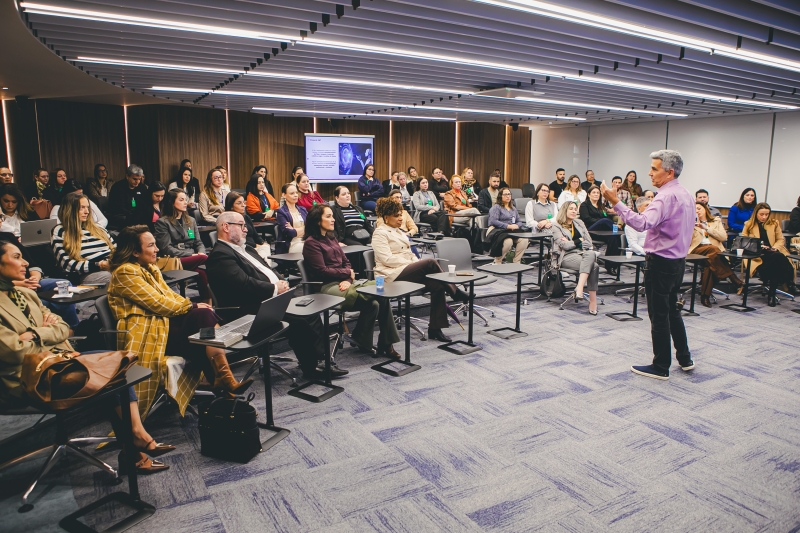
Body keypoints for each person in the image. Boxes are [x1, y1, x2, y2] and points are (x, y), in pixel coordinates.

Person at [0, 240, 172, 473]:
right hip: (27, 378)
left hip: (61, 360)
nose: (26, 262)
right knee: (112, 373)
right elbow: (12, 351)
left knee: (120, 364)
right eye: (18, 256)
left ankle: (135, 439)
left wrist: (32, 334)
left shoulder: (25, 294)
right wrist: (45, 333)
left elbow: (65, 328)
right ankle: (135, 447)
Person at [108, 226, 252, 419]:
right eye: (151, 245)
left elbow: (170, 297)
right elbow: (158, 303)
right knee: (202, 318)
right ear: (134, 251)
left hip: (162, 325)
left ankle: (224, 383)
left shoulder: (149, 268)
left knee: (203, 320)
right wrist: (192, 307)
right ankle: (224, 382)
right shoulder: (125, 272)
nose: (157, 249)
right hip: (146, 333)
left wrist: (193, 306)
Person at [205, 212, 343, 380]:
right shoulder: (220, 255)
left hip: (271, 299)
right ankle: (312, 368)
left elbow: (269, 270)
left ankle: (323, 361)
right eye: (241, 225)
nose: (246, 229)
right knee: (298, 321)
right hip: (247, 309)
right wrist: (274, 288)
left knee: (310, 312)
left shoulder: (247, 248)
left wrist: (281, 281)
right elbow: (244, 284)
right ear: (226, 227)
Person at [601, 149, 695, 380]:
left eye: (654, 168)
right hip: (678, 262)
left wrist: (616, 203)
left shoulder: (664, 196)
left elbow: (643, 223)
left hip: (661, 263)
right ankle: (685, 358)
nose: (649, 173)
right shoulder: (686, 194)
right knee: (673, 311)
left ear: (669, 172)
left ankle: (661, 366)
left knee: (659, 315)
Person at [302, 205, 400, 358]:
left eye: (332, 216)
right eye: (328, 216)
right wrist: (347, 274)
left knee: (378, 296)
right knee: (379, 293)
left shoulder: (331, 237)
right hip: (326, 288)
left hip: (346, 284)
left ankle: (366, 339)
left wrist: (348, 278)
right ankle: (386, 344)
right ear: (317, 220)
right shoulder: (311, 243)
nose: (333, 219)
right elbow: (322, 271)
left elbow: (347, 262)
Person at [372, 198, 468, 342]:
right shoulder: (380, 233)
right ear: (386, 217)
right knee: (430, 262)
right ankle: (454, 292)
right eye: (396, 216)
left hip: (405, 270)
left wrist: (416, 263)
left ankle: (435, 329)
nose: (400, 218)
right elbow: (387, 260)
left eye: (401, 215)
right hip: (390, 275)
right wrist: (411, 264)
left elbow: (409, 254)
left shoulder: (399, 232)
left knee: (437, 285)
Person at [154, 190, 211, 304]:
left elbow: (198, 242)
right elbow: (167, 248)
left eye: (185, 199)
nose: (185, 202)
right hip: (176, 259)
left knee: (201, 272)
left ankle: (208, 303)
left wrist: (200, 252)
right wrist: (193, 254)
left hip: (193, 257)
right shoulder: (162, 222)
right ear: (171, 202)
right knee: (205, 259)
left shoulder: (191, 220)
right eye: (181, 200)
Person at [52, 193, 115, 284]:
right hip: (90, 272)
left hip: (113, 266)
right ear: (70, 210)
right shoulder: (61, 231)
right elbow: (67, 264)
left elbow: (116, 249)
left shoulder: (98, 228)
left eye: (87, 207)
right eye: (82, 207)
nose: (87, 212)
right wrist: (99, 265)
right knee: (119, 275)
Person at [549, 201, 601, 314]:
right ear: (565, 210)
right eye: (571, 209)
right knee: (594, 266)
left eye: (575, 209)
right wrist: (578, 241)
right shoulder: (556, 226)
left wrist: (572, 242)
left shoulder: (579, 223)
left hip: (583, 254)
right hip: (566, 256)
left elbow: (589, 242)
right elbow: (564, 246)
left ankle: (579, 288)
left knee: (591, 254)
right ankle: (592, 301)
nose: (574, 211)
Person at [741, 203, 796, 306]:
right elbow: (744, 241)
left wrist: (774, 247)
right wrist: (761, 246)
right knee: (778, 259)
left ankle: (772, 292)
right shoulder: (749, 224)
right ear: (756, 213)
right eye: (761, 214)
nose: (764, 217)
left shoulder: (774, 223)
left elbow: (780, 239)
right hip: (758, 255)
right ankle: (789, 283)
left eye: (767, 214)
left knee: (777, 257)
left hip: (774, 251)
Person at [691, 202, 743, 307]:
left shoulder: (716, 221)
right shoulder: (689, 223)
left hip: (714, 253)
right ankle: (731, 276)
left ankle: (705, 296)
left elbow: (723, 238)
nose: (697, 211)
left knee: (710, 265)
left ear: (705, 209)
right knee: (713, 249)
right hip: (697, 251)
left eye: (699, 208)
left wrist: (706, 228)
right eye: (694, 209)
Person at [486, 187, 529, 263]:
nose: (508, 196)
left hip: (511, 232)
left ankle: (516, 262)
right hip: (498, 231)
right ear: (500, 196)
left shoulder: (513, 208)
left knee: (524, 240)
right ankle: (498, 261)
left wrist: (517, 226)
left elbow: (519, 221)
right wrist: (508, 226)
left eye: (509, 194)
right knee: (508, 242)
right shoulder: (496, 207)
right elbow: (493, 221)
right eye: (505, 194)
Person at [107, 164, 147, 230]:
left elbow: (145, 202)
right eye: (134, 179)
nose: (137, 182)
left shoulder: (142, 187)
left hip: (137, 215)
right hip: (122, 215)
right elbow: (118, 208)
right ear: (127, 176)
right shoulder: (117, 187)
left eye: (139, 179)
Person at [276, 182, 306, 254]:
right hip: (291, 244)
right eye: (292, 193)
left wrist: (295, 229)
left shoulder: (303, 209)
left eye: (296, 193)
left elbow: (312, 228)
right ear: (284, 195)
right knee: (312, 248)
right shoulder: (281, 212)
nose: (295, 195)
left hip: (306, 240)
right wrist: (305, 229)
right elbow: (290, 233)